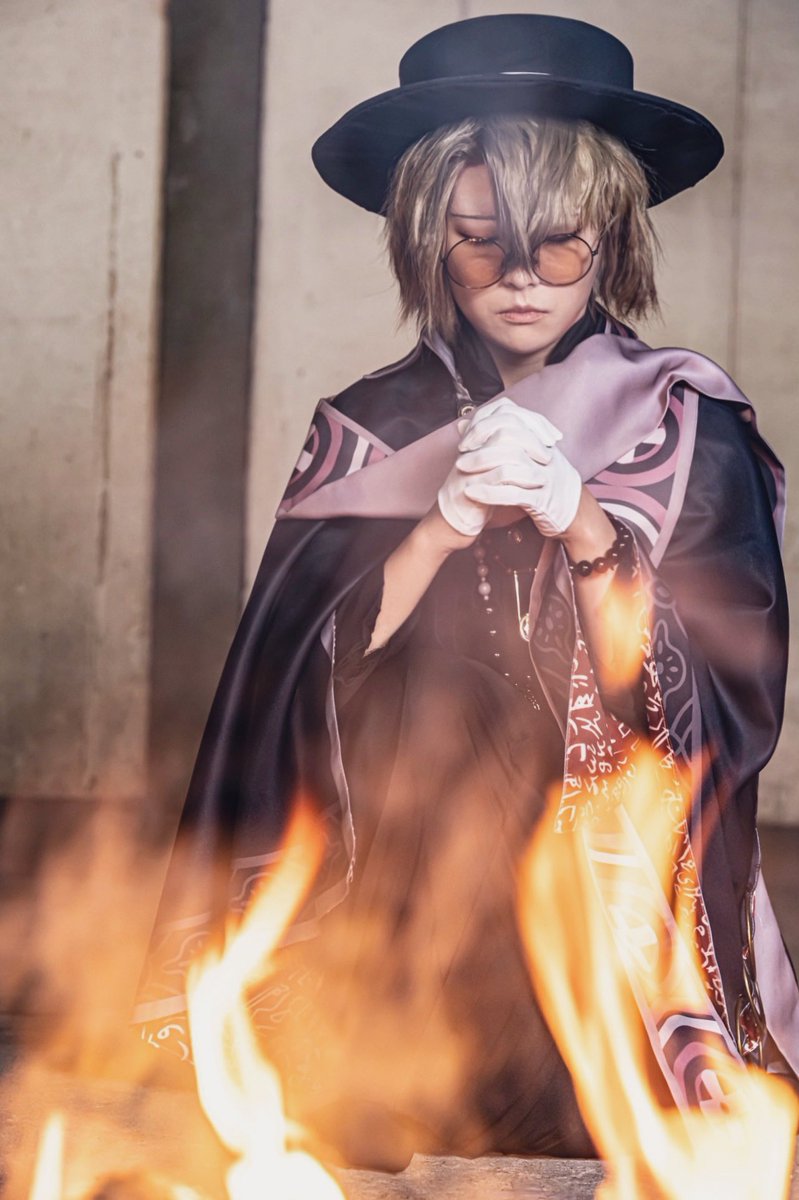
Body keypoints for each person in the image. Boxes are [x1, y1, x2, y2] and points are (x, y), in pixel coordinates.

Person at [135, 13, 799, 1169]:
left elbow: (719, 712)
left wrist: (584, 524)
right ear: (429, 242)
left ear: (610, 235)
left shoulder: (686, 427)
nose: (522, 279)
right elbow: (294, 689)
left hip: (605, 907)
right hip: (398, 898)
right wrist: (438, 525)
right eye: (482, 242)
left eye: (560, 244)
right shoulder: (365, 430)